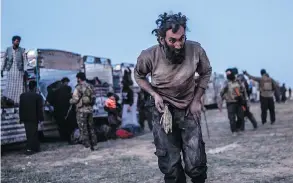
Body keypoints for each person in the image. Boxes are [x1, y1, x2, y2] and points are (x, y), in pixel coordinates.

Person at [134, 12, 212, 183]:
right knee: (170, 164)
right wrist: (154, 94)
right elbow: (139, 76)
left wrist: (197, 99)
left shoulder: (195, 49)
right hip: (163, 111)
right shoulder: (148, 56)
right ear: (161, 39)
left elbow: (206, 72)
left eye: (182, 38)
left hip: (189, 108)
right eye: (172, 40)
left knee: (195, 161)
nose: (178, 44)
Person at [70, 72, 97, 150]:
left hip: (81, 111)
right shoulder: (91, 86)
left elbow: (75, 99)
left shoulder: (78, 87)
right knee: (91, 127)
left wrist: (70, 101)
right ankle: (94, 144)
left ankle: (87, 145)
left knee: (83, 128)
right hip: (90, 110)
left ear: (79, 78)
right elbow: (94, 97)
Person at [19, 81, 44, 155]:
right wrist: (41, 119)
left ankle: (35, 147)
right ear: (35, 87)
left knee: (29, 133)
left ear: (28, 87)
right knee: (33, 133)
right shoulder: (38, 96)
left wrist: (21, 118)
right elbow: (39, 109)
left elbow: (21, 108)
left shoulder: (22, 95)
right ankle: (30, 149)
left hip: (26, 118)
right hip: (34, 118)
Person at [1, 36, 26, 104]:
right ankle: (9, 101)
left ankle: (18, 102)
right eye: (17, 41)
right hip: (10, 69)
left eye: (19, 41)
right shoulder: (8, 49)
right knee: (10, 86)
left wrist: (25, 70)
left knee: (19, 87)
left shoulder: (22, 50)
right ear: (13, 41)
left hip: (19, 70)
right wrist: (2, 70)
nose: (18, 43)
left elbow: (25, 61)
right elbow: (4, 60)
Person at [221, 69, 246, 134]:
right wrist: (225, 97)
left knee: (240, 117)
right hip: (230, 102)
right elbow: (221, 93)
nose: (228, 75)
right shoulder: (226, 83)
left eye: (229, 73)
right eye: (227, 74)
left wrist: (243, 98)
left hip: (238, 101)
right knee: (232, 118)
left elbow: (243, 90)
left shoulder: (238, 81)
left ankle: (238, 128)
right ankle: (234, 131)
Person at [53, 77, 73, 144]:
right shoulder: (68, 88)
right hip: (66, 109)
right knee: (68, 124)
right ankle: (69, 139)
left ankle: (63, 138)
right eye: (67, 82)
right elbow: (70, 97)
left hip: (58, 110)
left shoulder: (56, 90)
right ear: (65, 82)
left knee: (61, 125)